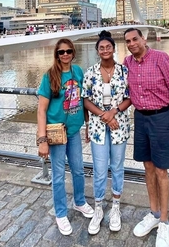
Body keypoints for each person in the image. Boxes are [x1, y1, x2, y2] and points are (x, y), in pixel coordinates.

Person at [123, 28, 169, 247]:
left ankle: (164, 221)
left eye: (135, 39)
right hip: (140, 118)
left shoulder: (161, 58)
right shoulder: (127, 62)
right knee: (148, 167)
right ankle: (153, 213)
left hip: (162, 117)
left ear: (144, 39)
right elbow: (126, 92)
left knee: (162, 170)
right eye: (127, 41)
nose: (131, 44)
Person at [37, 38, 94, 235]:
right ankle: (61, 213)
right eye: (61, 52)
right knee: (59, 175)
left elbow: (83, 99)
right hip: (56, 133)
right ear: (57, 54)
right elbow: (41, 110)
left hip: (74, 131)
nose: (65, 55)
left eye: (68, 51)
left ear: (73, 53)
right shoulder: (50, 76)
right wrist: (42, 139)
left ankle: (79, 201)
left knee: (78, 170)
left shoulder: (78, 72)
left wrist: (87, 124)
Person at [82, 31, 131, 235]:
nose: (105, 50)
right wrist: (104, 115)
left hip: (119, 125)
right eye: (101, 48)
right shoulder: (90, 72)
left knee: (117, 167)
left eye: (108, 47)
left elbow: (130, 97)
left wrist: (114, 112)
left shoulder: (124, 71)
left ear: (113, 49)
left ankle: (116, 207)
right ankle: (99, 207)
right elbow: (85, 99)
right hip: (97, 126)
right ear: (97, 50)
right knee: (100, 168)